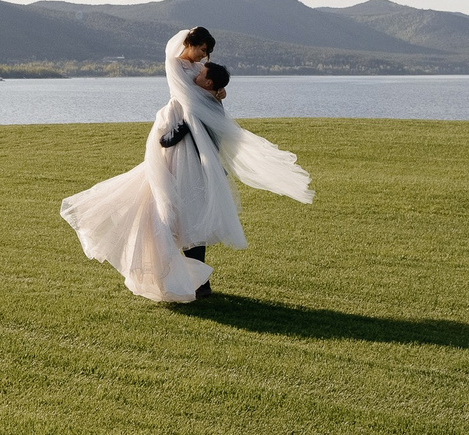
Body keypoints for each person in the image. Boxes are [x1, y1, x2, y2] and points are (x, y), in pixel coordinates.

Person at [60, 27, 313, 303]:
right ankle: (180, 278)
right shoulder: (175, 65)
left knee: (192, 209)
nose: (204, 56)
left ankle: (197, 281)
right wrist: (201, 107)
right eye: (203, 49)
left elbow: (208, 90)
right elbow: (190, 99)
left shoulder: (200, 69)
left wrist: (218, 91)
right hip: (180, 132)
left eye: (207, 53)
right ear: (190, 42)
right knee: (172, 207)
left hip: (194, 135)